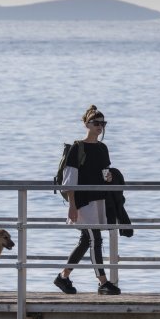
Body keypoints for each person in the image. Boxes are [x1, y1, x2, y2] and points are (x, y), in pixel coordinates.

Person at [54, 105, 121, 295]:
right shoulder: (77, 148)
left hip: (98, 200)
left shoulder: (102, 148)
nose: (100, 126)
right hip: (83, 202)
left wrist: (109, 178)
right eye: (96, 123)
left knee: (86, 240)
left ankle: (63, 277)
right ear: (87, 124)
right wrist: (72, 206)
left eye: (103, 123)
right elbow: (69, 180)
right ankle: (103, 282)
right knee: (95, 239)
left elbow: (104, 172)